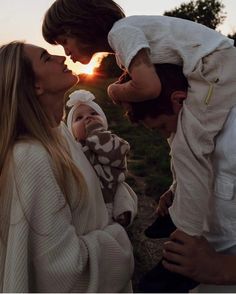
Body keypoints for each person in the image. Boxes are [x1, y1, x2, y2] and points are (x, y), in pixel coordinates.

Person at [42, 0, 236, 239]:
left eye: (64, 42)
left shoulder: (122, 32)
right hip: (212, 67)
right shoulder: (125, 42)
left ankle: (188, 236)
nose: (65, 52)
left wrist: (115, 91)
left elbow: (148, 86)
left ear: (79, 27)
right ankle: (178, 202)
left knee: (192, 145)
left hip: (217, 66)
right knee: (181, 134)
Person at [0, 41, 135, 293]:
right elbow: (65, 276)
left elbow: (90, 194)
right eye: (45, 57)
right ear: (35, 85)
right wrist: (119, 241)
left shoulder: (59, 132)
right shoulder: (31, 158)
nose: (60, 58)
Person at [125, 64, 236, 292]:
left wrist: (221, 267)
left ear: (179, 99)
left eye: (163, 126)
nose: (167, 135)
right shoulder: (192, 132)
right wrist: (177, 189)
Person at [66, 89, 137, 227]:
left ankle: (123, 215)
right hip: (89, 197)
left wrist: (96, 132)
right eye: (79, 118)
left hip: (110, 194)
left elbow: (115, 154)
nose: (88, 118)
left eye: (93, 114)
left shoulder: (109, 140)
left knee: (123, 193)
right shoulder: (74, 149)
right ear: (72, 132)